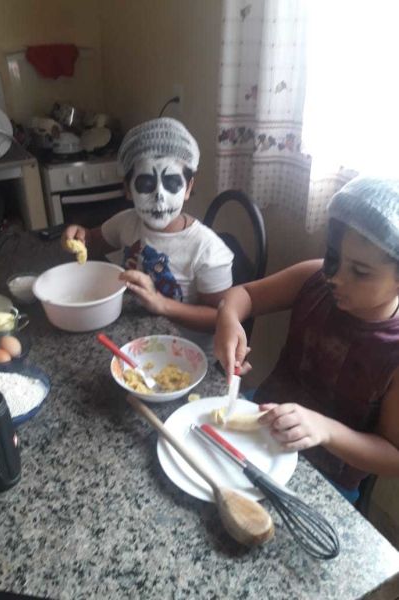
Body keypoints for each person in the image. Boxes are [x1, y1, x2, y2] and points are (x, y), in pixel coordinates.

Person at [214, 177, 399, 502]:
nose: (336, 277)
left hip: (327, 478)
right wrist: (228, 319)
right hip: (261, 427)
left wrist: (324, 430)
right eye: (333, 256)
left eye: (360, 272)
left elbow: (393, 456)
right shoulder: (314, 279)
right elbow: (243, 296)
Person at [62, 117, 233, 351]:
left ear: (188, 188)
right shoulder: (127, 223)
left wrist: (162, 305)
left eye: (172, 183)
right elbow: (91, 242)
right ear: (127, 189)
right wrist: (77, 236)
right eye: (146, 183)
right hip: (134, 339)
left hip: (185, 355)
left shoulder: (207, 250)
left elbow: (219, 317)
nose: (159, 196)